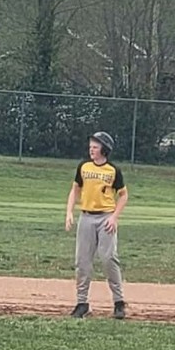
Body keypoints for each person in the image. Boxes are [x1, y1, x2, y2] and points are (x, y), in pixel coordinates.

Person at [65, 131, 129, 318]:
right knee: (82, 262)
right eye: (91, 146)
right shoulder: (83, 167)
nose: (91, 149)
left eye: (95, 146)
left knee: (109, 259)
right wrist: (69, 211)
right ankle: (82, 303)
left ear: (104, 149)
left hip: (105, 218)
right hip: (86, 218)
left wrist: (114, 217)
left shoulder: (113, 171)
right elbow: (75, 189)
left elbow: (123, 195)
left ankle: (119, 303)